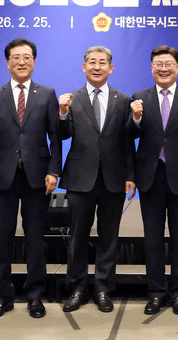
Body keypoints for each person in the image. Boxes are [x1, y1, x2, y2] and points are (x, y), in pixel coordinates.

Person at [0, 38, 62, 320]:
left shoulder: (47, 94)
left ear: (34, 62)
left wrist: (54, 171)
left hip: (37, 177)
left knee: (35, 237)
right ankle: (3, 296)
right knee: (2, 237)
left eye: (27, 57)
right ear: (7, 63)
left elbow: (56, 137)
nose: (21, 62)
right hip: (2, 176)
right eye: (16, 57)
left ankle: (35, 295)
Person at [128, 45, 178, 316]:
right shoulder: (139, 98)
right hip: (149, 177)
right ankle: (156, 293)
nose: (164, 69)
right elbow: (129, 137)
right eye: (158, 64)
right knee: (152, 239)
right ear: (151, 68)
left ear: (177, 67)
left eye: (168, 64)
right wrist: (135, 118)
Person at [57, 46, 135, 313]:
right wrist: (62, 113)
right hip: (80, 178)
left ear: (111, 68)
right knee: (77, 237)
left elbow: (128, 141)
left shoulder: (123, 100)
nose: (97, 67)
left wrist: (130, 175)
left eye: (103, 63)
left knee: (109, 236)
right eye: (92, 62)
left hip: (113, 178)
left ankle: (103, 288)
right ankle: (77, 288)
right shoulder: (72, 99)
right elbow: (63, 134)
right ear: (84, 67)